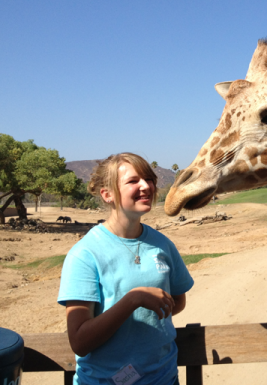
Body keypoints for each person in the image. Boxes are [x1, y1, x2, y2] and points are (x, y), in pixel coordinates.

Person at [58, 153, 193, 385]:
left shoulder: (162, 244)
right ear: (107, 194)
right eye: (133, 181)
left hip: (164, 379)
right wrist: (133, 300)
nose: (146, 186)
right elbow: (79, 342)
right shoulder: (85, 254)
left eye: (149, 179)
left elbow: (177, 302)